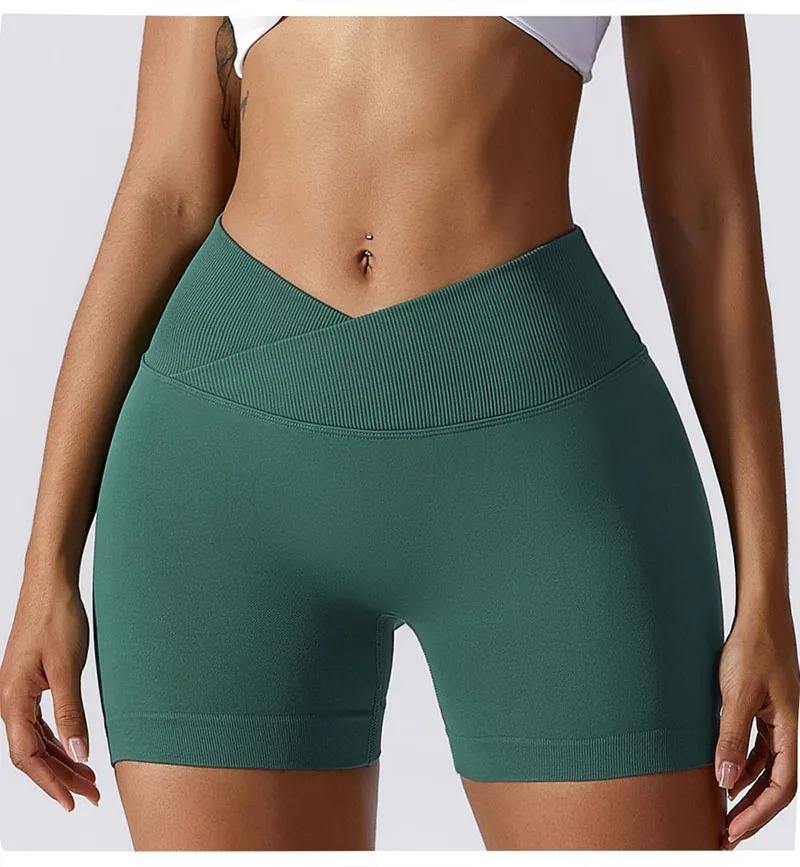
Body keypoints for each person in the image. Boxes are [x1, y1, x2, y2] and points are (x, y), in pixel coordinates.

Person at [0, 14, 797, 852]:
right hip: (218, 480)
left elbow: (707, 210)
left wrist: (768, 591)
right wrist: (46, 560)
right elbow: (166, 192)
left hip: (539, 474)